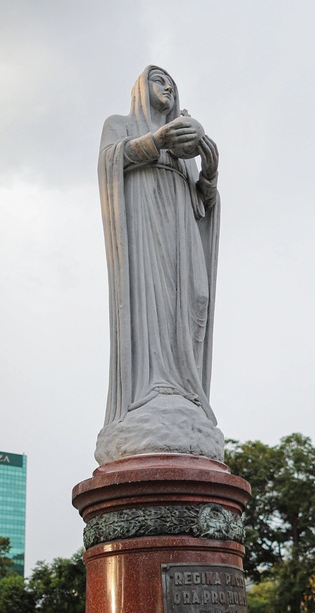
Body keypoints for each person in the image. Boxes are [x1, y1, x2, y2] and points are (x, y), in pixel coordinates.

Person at [95, 66, 222, 463]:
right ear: (140, 89)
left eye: (171, 83)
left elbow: (204, 206)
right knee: (154, 302)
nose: (166, 86)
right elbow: (108, 165)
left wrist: (210, 172)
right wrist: (156, 141)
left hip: (182, 232)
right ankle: (153, 389)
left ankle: (186, 389)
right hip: (145, 228)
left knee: (196, 299)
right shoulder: (120, 125)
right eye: (158, 80)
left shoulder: (185, 144)